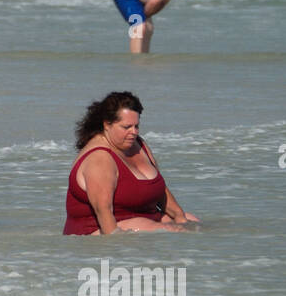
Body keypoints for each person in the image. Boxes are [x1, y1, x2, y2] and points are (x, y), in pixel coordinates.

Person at [63, 91, 198, 235]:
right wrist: (117, 251)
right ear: (107, 125)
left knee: (193, 222)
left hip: (145, 217)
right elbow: (103, 211)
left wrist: (179, 216)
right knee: (170, 230)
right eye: (126, 127)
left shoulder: (139, 144)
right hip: (99, 229)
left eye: (136, 126)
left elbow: (160, 189)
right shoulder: (100, 158)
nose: (134, 132)